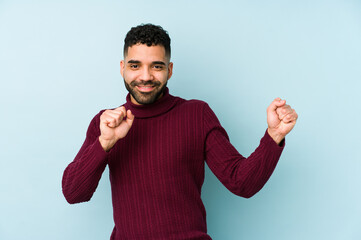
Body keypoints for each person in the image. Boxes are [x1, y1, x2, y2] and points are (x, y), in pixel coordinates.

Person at [62, 23, 298, 240]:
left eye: (156, 66)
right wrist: (105, 143)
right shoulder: (105, 123)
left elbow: (242, 183)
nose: (145, 76)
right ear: (123, 68)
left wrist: (274, 135)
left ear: (170, 70)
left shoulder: (196, 114)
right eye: (135, 66)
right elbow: (74, 193)